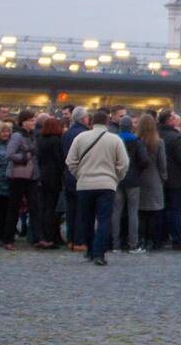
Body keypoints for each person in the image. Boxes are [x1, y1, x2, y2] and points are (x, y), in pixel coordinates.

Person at [65, 109, 129, 266]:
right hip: (107, 184)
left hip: (85, 184)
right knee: (104, 219)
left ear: (91, 122)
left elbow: (70, 161)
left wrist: (79, 175)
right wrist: (115, 178)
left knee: (86, 219)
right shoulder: (115, 140)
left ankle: (89, 250)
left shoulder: (81, 137)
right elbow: (124, 163)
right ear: (108, 122)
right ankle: (99, 253)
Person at [6, 109, 46, 248]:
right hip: (18, 176)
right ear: (24, 122)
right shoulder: (17, 136)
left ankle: (37, 238)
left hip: (32, 176)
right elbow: (10, 154)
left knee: (35, 208)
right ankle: (8, 239)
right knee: (14, 207)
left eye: (33, 119)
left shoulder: (32, 135)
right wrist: (24, 157)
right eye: (31, 120)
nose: (33, 122)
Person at [113, 115, 149, 253]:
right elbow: (144, 160)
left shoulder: (114, 139)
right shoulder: (137, 141)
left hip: (117, 178)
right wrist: (138, 170)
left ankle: (115, 244)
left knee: (116, 211)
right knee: (133, 212)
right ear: (131, 126)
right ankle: (133, 243)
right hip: (133, 179)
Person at [159, 111, 181, 249]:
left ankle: (160, 237)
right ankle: (177, 239)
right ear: (169, 120)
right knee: (176, 209)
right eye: (174, 118)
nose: (177, 120)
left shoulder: (156, 134)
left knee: (161, 208)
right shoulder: (176, 137)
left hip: (159, 178)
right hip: (175, 178)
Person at [136, 113, 167, 252]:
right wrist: (163, 177)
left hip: (140, 178)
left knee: (142, 213)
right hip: (155, 179)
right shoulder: (158, 142)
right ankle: (154, 241)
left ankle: (141, 239)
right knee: (155, 212)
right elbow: (162, 163)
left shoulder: (137, 141)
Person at [61, 106, 90, 250]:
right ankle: (79, 241)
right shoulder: (86, 134)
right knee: (81, 210)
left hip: (68, 174)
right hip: (82, 174)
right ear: (84, 119)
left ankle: (70, 240)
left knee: (70, 210)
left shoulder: (66, 134)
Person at [36, 116, 65, 249]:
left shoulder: (40, 139)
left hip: (42, 175)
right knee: (52, 208)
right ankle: (50, 236)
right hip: (53, 177)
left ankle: (42, 235)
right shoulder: (56, 140)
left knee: (43, 207)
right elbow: (59, 160)